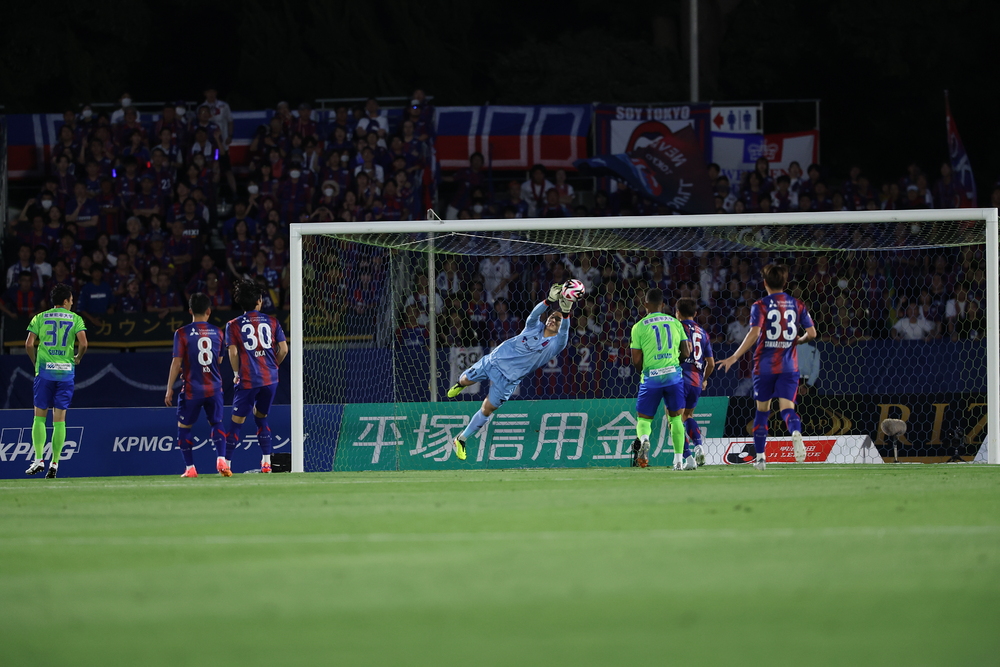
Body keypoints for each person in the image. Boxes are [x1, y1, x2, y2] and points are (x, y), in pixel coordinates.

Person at [445, 283, 575, 460]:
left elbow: (565, 331)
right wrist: (548, 300)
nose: (553, 320)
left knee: (488, 409)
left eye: (557, 320)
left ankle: (460, 439)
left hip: (509, 380)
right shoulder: (532, 327)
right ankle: (460, 384)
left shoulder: (556, 345)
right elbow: (534, 314)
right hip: (494, 361)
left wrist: (565, 314)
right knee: (466, 380)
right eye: (552, 317)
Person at [718, 264, 817, 469]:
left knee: (762, 412)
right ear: (785, 282)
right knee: (787, 409)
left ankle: (761, 458)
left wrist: (735, 356)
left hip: (764, 367)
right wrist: (798, 340)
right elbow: (813, 334)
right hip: (789, 367)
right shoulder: (797, 304)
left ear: (765, 283)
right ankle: (795, 432)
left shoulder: (760, 305)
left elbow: (754, 333)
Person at [23, 284, 88, 478]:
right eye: (71, 300)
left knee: (39, 417)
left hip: (45, 373)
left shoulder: (40, 317)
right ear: (66, 301)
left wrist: (35, 362)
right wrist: (78, 357)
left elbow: (29, 344)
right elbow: (84, 343)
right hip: (65, 374)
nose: (72, 304)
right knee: (59, 420)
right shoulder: (75, 319)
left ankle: (38, 459)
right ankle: (55, 463)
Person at [224, 280, 289, 473]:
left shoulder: (233, 325)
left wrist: (236, 374)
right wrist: (272, 366)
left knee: (236, 423)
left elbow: (233, 353)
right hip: (270, 379)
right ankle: (266, 462)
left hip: (248, 379)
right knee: (261, 418)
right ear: (259, 301)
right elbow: (284, 349)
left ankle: (226, 465)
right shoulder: (272, 321)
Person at [164, 293, 228, 478]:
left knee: (184, 427)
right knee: (216, 422)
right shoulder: (218, 332)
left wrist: (169, 388)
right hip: (214, 388)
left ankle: (190, 468)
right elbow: (219, 359)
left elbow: (176, 362)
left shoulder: (181, 333)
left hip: (192, 389)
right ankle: (221, 459)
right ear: (209, 311)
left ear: (190, 311)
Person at [629, 288, 693, 470]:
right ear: (663, 305)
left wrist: (646, 372)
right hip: (673, 375)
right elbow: (686, 352)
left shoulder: (639, 326)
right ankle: (678, 461)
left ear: (645, 304)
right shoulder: (675, 323)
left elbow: (636, 360)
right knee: (676, 419)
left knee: (644, 419)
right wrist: (674, 364)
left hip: (652, 377)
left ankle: (644, 439)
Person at [676, 297, 714, 467]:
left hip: (679, 378)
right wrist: (704, 380)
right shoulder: (703, 333)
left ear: (677, 313)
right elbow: (711, 364)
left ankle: (688, 458)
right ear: (696, 313)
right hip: (696, 380)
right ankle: (698, 446)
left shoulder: (677, 327)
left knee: (674, 419)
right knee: (688, 416)